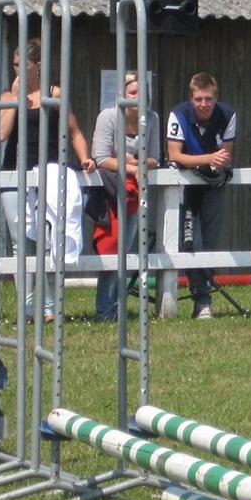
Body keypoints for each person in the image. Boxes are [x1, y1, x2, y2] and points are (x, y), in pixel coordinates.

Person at [0, 38, 95, 322]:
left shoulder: (54, 94)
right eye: (14, 65)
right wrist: (17, 100)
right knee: (21, 243)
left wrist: (85, 157)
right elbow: (2, 134)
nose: (17, 70)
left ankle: (50, 306)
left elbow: (74, 131)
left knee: (51, 238)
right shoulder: (7, 97)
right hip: (15, 171)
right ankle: (27, 308)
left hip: (50, 171)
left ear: (38, 66)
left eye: (23, 65)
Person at [90, 71, 160, 320]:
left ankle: (114, 308)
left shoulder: (151, 118)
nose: (137, 98)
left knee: (127, 248)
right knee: (111, 248)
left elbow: (155, 158)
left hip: (134, 193)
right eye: (132, 93)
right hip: (110, 191)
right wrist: (130, 166)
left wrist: (139, 162)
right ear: (121, 95)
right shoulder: (108, 117)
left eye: (142, 93)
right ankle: (105, 310)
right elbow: (100, 157)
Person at [167, 72, 236, 319]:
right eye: (198, 99)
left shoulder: (227, 114)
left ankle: (204, 298)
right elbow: (174, 154)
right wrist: (207, 159)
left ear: (215, 98)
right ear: (191, 98)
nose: (203, 104)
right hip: (186, 187)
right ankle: (201, 299)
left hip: (214, 186)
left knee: (211, 243)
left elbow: (225, 155)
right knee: (189, 242)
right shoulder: (179, 114)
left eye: (208, 99)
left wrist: (213, 163)